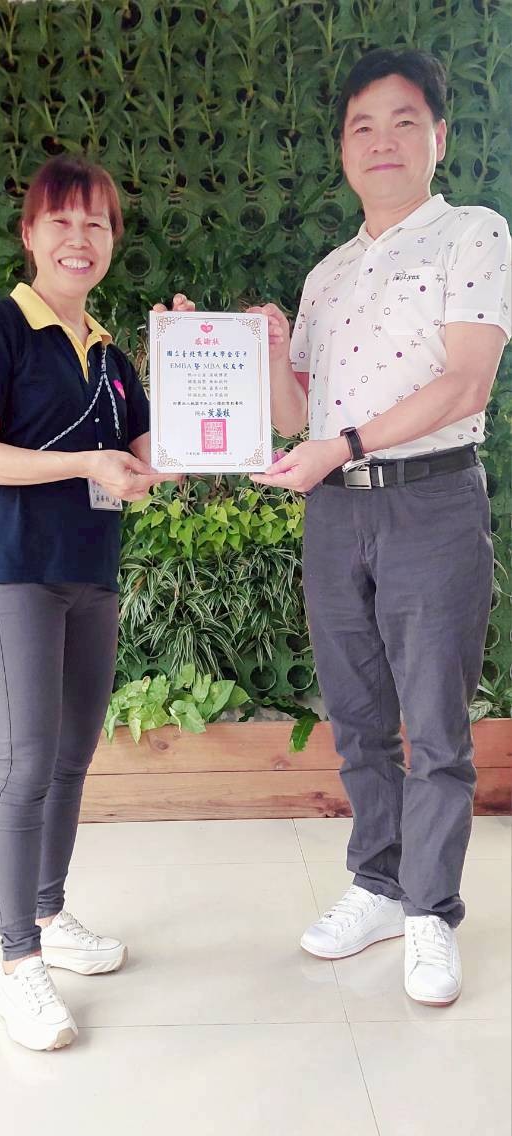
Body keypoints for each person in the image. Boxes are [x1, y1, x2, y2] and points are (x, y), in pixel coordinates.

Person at [249, 49, 510, 1005]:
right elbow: (296, 414)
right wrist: (270, 351)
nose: (383, 141)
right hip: (335, 511)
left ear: (438, 137)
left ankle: (431, 911)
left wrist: (344, 443)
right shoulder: (327, 274)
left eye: (404, 122)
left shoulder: (474, 234)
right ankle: (378, 885)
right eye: (363, 126)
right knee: (358, 716)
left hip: (430, 501)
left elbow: (466, 382)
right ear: (343, 150)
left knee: (434, 724)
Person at [0, 154, 192, 1051]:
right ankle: (18, 966)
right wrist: (85, 463)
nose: (79, 238)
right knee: (24, 764)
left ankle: (48, 917)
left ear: (113, 240)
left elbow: (156, 463)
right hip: (14, 566)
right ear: (30, 233)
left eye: (97, 223)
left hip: (92, 571)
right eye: (62, 220)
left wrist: (192, 358)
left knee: (73, 756)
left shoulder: (116, 359)